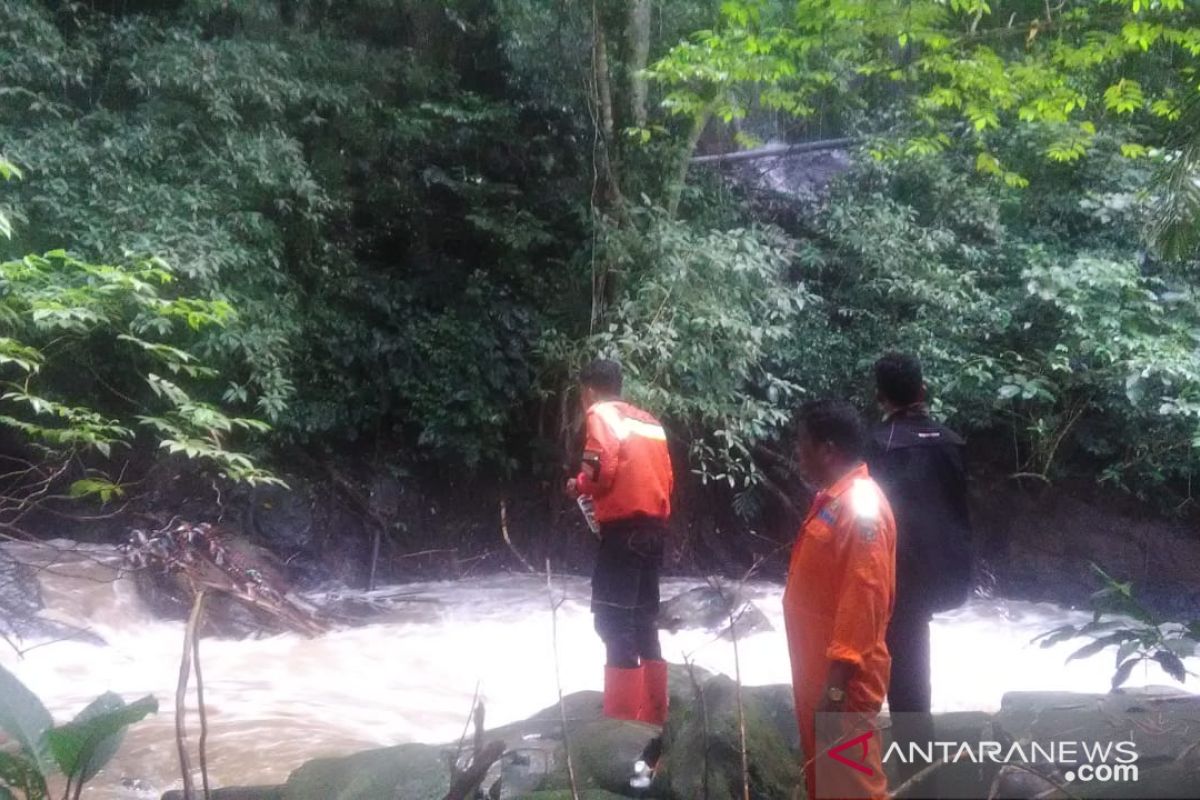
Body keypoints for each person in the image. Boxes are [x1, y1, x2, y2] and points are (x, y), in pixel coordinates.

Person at [868, 353, 973, 784]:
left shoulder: (879, 444)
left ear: (880, 396)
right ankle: (918, 769)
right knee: (911, 668)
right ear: (922, 391)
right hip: (943, 570)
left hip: (895, 572)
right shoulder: (952, 442)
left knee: (891, 666)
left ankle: (906, 775)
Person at [784, 399, 896, 800]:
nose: (798, 454)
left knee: (855, 785)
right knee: (827, 780)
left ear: (827, 449)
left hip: (843, 681)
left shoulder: (861, 506)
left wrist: (836, 686)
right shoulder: (837, 499)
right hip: (819, 673)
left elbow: (864, 593)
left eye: (803, 444)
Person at [566, 358, 674, 724]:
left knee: (613, 621)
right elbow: (667, 480)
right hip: (655, 531)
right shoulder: (650, 422)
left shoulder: (600, 413)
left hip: (623, 533)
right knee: (644, 618)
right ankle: (655, 714)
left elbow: (600, 471)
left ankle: (621, 726)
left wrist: (579, 485)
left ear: (589, 390)